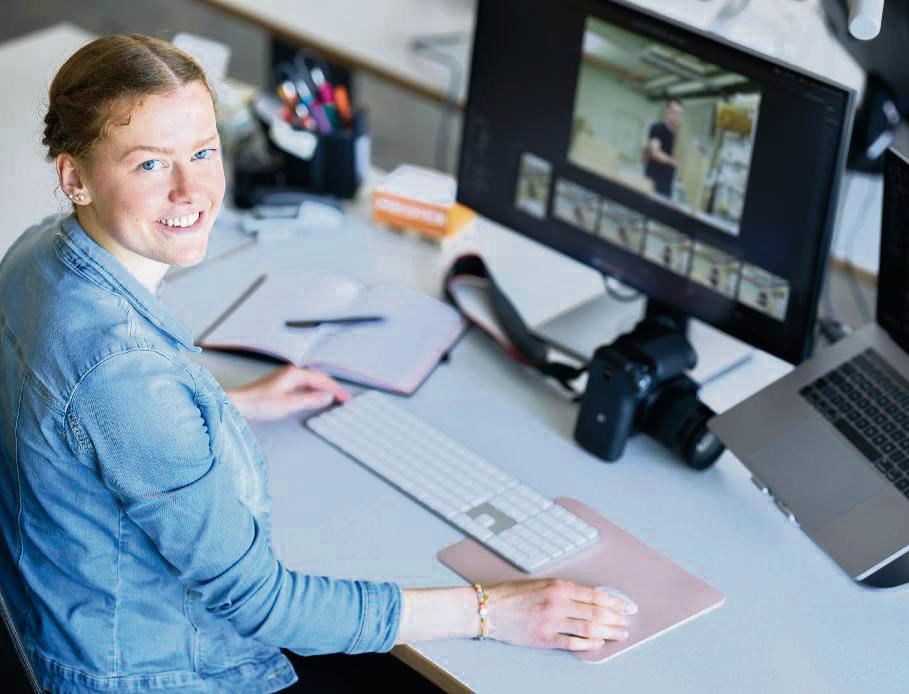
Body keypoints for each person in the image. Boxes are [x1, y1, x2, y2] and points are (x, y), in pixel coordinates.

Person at [0, 35, 634, 693]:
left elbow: (68, 422)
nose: (193, 188)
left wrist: (224, 407)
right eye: (150, 165)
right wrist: (491, 609)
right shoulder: (129, 383)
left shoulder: (35, 253)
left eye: (202, 151)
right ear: (74, 177)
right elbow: (264, 604)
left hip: (66, 622)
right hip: (157, 672)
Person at [644, 98, 683, 198]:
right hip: (652, 182)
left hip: (667, 186)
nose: (676, 116)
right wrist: (672, 161)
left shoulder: (678, 137)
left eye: (679, 114)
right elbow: (655, 153)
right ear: (667, 112)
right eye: (674, 112)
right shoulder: (657, 128)